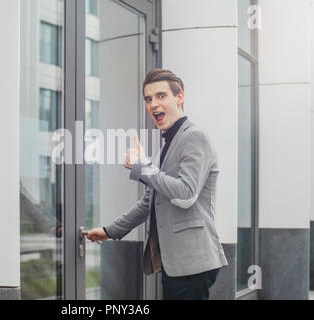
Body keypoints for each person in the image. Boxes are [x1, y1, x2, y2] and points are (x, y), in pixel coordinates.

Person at [86, 69, 228, 300]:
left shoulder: (195, 137)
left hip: (193, 262)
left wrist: (142, 166)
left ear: (179, 97)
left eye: (161, 96)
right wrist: (109, 231)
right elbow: (148, 203)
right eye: (148, 99)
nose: (153, 104)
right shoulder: (166, 146)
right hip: (176, 262)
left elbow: (186, 192)